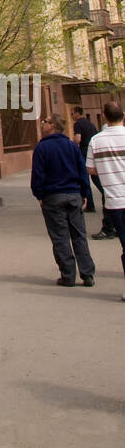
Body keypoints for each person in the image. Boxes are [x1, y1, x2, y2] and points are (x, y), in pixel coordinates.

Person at [30, 113, 95, 287]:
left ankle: (68, 275)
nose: (43, 124)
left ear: (52, 126)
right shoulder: (71, 146)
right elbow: (82, 171)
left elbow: (37, 176)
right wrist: (85, 194)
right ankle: (87, 273)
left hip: (52, 197)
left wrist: (40, 195)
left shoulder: (42, 149)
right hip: (73, 195)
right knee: (79, 235)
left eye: (46, 122)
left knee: (60, 237)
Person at [85, 102, 125, 300]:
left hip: (115, 200)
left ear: (104, 117)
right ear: (123, 115)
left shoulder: (96, 140)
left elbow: (91, 170)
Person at [69, 107, 98, 213]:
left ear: (77, 113)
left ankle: (89, 204)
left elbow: (78, 138)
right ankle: (105, 195)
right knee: (95, 177)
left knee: (84, 178)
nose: (71, 116)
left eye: (72, 113)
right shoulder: (90, 124)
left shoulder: (77, 124)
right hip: (93, 151)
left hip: (83, 152)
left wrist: (74, 145)